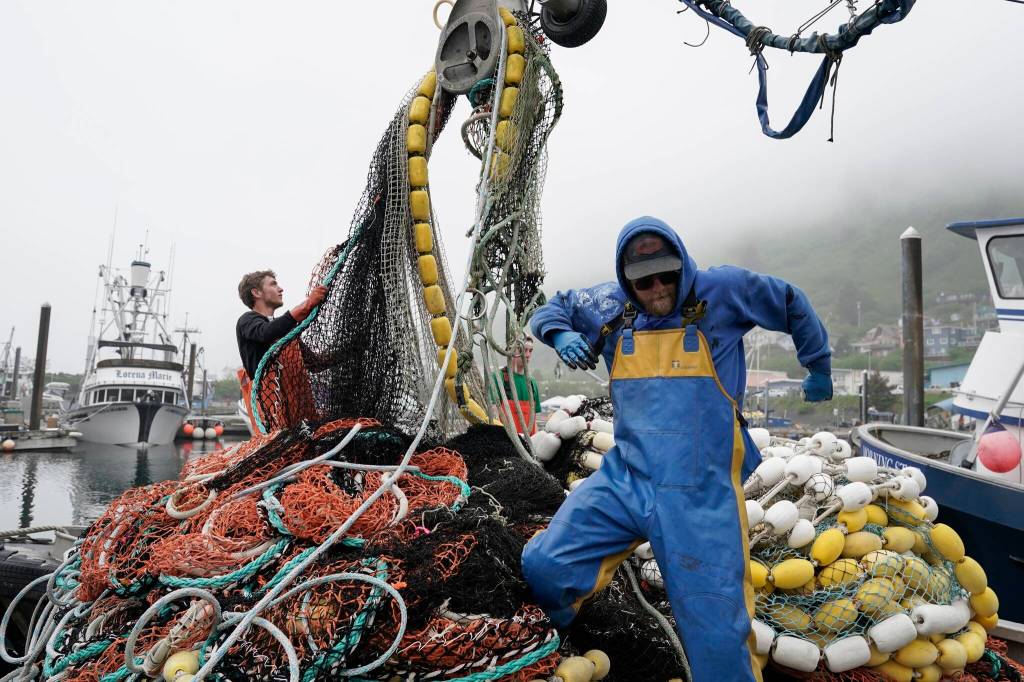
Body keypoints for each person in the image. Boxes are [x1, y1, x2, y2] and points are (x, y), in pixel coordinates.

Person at [522, 216, 832, 682]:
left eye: (667, 273)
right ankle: (561, 643)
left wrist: (818, 365)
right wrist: (559, 335)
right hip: (624, 477)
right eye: (643, 280)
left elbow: (790, 302)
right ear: (627, 281)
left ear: (682, 264)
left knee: (716, 631)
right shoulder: (608, 305)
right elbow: (553, 309)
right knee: (546, 566)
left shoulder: (723, 291)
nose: (657, 286)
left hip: (699, 495)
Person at [235, 269, 327, 382]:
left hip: (296, 398)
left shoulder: (286, 328)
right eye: (273, 284)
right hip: (267, 398)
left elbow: (315, 363)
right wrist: (306, 306)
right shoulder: (247, 320)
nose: (281, 289)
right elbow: (266, 333)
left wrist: (351, 348)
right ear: (256, 292)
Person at [488, 338, 542, 434]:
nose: (528, 355)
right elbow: (493, 416)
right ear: (511, 351)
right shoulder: (499, 378)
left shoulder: (532, 383)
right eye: (523, 350)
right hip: (506, 444)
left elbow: (534, 422)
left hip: (528, 444)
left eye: (530, 351)